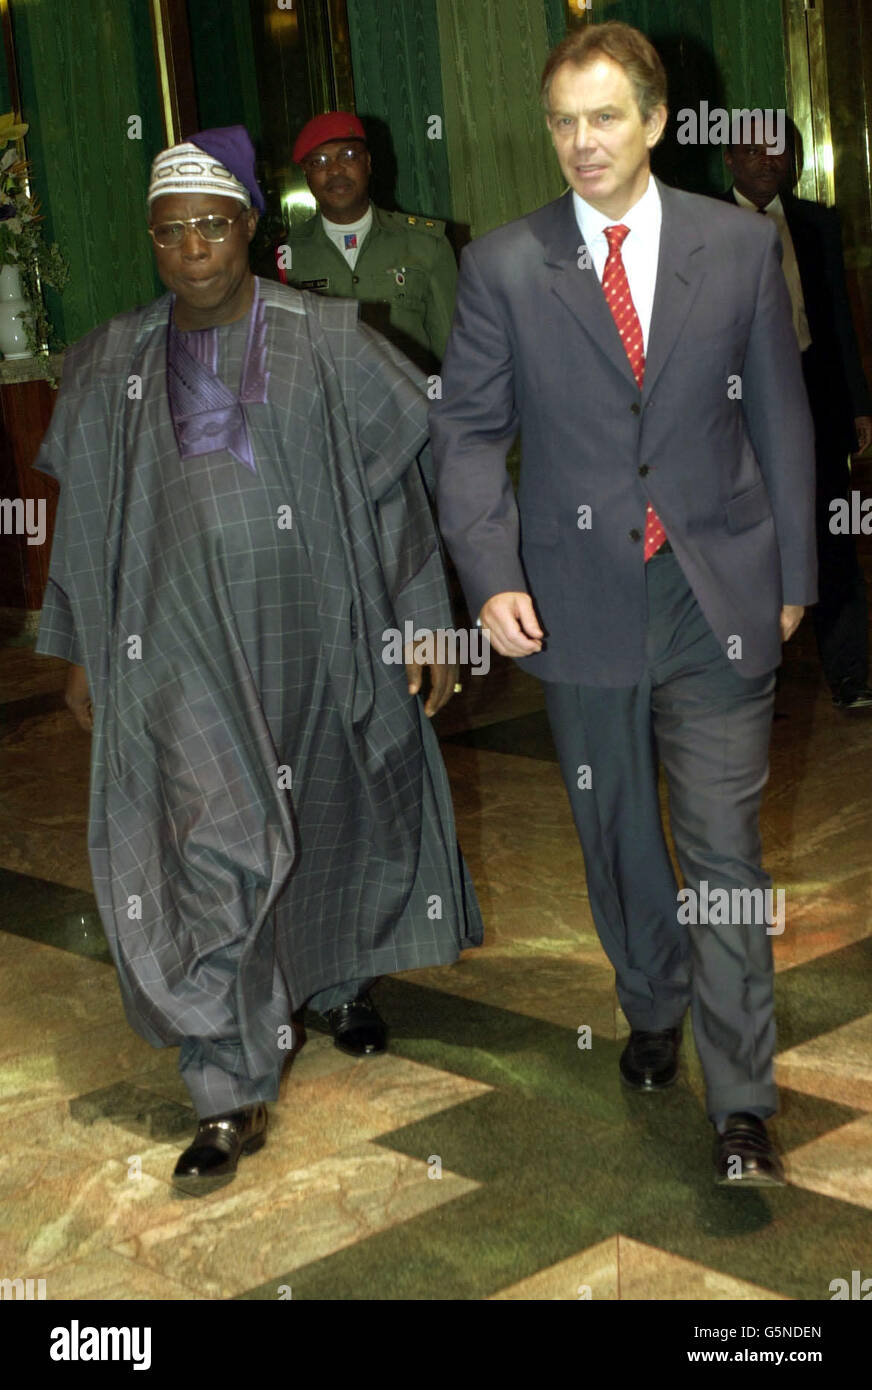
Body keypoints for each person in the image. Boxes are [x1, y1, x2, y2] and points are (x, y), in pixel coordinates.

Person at [35, 125, 481, 1196]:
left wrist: (422, 619)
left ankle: (334, 981)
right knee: (212, 841)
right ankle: (225, 1082)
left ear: (246, 229)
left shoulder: (324, 339)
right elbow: (86, 518)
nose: (190, 248)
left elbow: (394, 494)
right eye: (168, 232)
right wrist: (85, 650)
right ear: (151, 242)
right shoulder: (111, 364)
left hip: (318, 625)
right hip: (177, 649)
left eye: (209, 225)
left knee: (331, 804)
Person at [430, 23, 817, 1185]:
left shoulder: (735, 248)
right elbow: (466, 434)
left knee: (722, 845)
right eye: (563, 121)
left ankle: (739, 1098)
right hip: (575, 597)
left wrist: (794, 577)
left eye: (604, 117)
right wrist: (489, 569)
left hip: (713, 591)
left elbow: (779, 422)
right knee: (612, 837)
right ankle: (649, 997)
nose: (582, 142)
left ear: (654, 121)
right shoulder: (504, 265)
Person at [722, 128, 872, 710]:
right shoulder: (703, 224)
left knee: (833, 535)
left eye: (779, 149)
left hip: (815, 401)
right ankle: (755, 678)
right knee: (749, 545)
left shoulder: (816, 223)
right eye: (753, 150)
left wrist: (859, 403)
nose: (768, 160)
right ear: (730, 156)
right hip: (735, 409)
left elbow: (839, 316)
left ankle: (851, 674)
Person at [276, 112, 457, 373]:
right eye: (319, 162)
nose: (335, 169)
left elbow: (455, 355)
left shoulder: (426, 245)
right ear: (306, 174)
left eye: (349, 156)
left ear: (368, 163)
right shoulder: (284, 258)